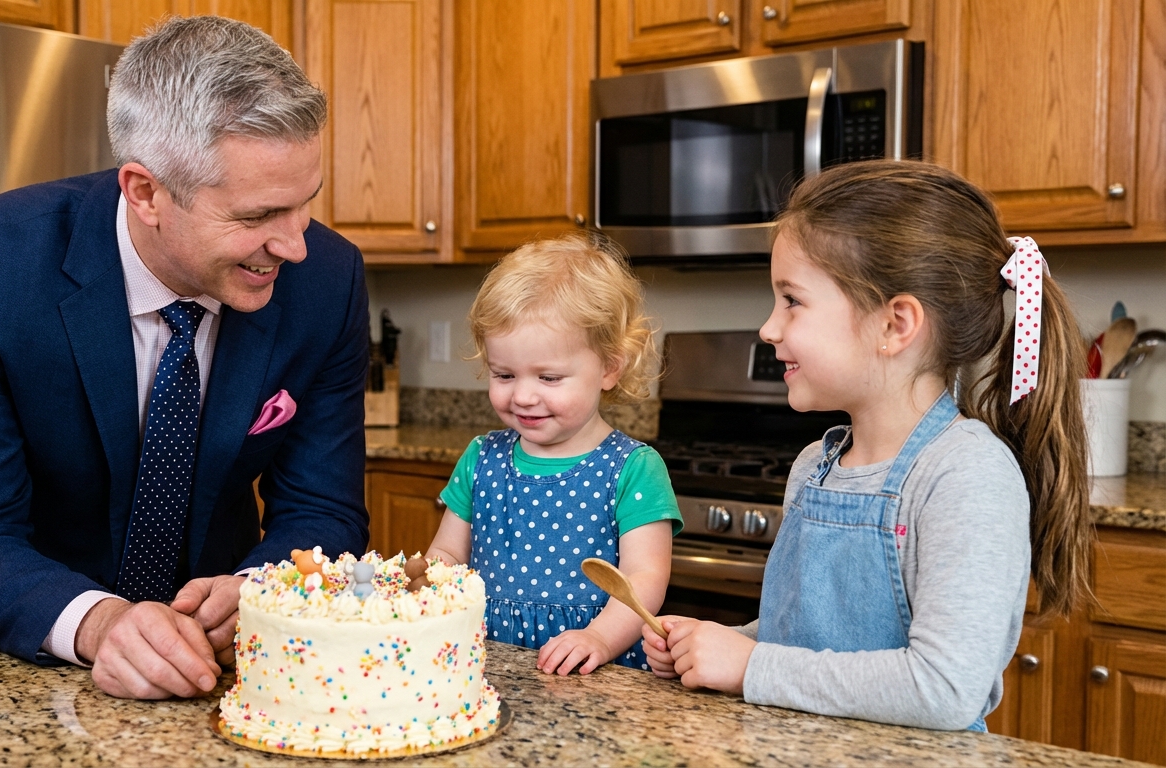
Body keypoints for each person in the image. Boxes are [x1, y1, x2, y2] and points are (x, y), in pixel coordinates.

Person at [0, 16, 371, 700]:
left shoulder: (328, 282)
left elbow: (323, 507)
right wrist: (103, 623)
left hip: (199, 664)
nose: (295, 245)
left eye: (303, 206)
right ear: (145, 192)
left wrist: (260, 591)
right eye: (256, 217)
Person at [642, 161, 1092, 731]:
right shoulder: (815, 466)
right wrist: (717, 645)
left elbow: (945, 688)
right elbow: (802, 639)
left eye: (792, 301)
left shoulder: (966, 474)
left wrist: (751, 665)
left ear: (895, 324)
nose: (768, 329)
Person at [425, 234, 681, 676]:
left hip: (592, 669)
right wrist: (425, 588)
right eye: (504, 374)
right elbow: (448, 554)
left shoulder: (634, 469)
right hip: (486, 658)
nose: (523, 395)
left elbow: (645, 580)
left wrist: (599, 638)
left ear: (609, 367)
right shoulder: (481, 457)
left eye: (548, 377)